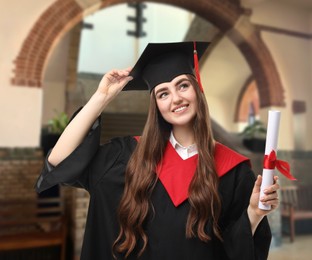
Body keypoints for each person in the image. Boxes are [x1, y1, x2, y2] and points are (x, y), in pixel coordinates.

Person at [36, 41, 280, 260]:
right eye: (163, 93)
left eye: (182, 85)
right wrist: (101, 97)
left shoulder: (233, 170)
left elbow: (236, 248)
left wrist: (255, 213)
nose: (175, 98)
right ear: (156, 105)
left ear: (197, 89)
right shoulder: (127, 156)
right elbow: (59, 159)